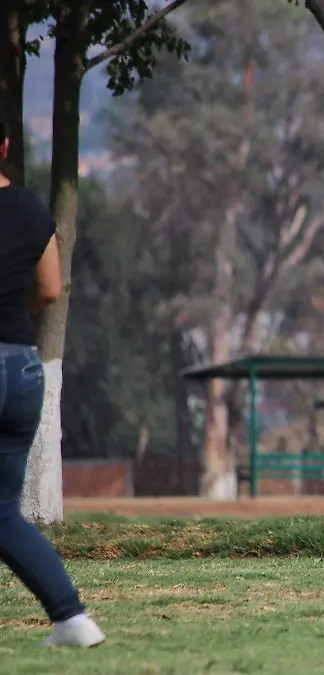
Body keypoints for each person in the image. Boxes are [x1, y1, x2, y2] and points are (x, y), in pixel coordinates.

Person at [0, 110, 106, 647]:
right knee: (2, 512)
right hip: (20, 367)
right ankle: (71, 618)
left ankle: (72, 617)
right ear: (3, 146)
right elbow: (48, 289)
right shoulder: (30, 209)